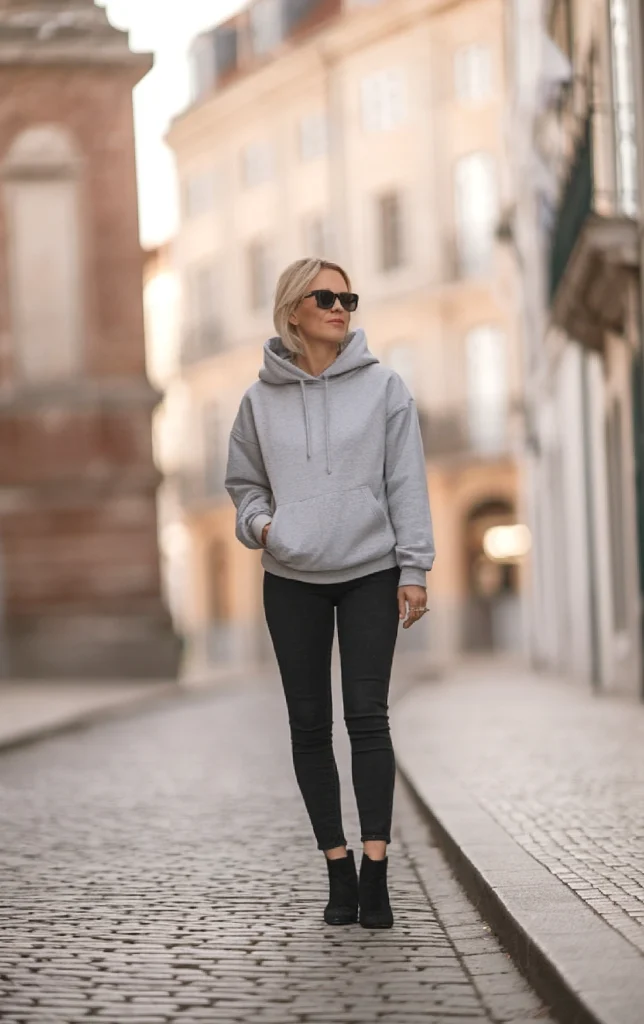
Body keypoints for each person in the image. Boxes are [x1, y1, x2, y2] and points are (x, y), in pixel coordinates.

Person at [225, 258, 435, 929]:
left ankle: (376, 873)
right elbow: (243, 484)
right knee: (309, 726)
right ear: (293, 311)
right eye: (326, 297)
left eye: (348, 296)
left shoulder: (384, 388)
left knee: (368, 717)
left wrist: (414, 567)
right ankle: (336, 868)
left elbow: (406, 481)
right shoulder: (258, 402)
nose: (341, 307)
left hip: (372, 570)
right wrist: (262, 525)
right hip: (292, 582)